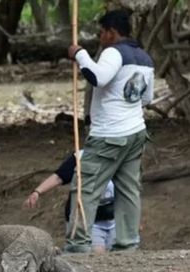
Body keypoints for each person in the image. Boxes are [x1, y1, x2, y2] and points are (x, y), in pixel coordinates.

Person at [66, 9, 154, 253]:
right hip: (136, 131)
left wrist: (79, 54)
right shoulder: (144, 57)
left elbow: (98, 77)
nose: (100, 37)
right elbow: (146, 97)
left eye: (102, 32)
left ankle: (78, 244)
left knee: (86, 186)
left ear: (111, 32)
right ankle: (127, 244)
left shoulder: (113, 52)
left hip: (109, 134)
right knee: (128, 190)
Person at [23, 151, 116, 253]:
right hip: (87, 220)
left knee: (118, 255)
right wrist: (37, 192)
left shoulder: (123, 153)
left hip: (115, 218)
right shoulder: (80, 157)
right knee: (97, 254)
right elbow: (59, 177)